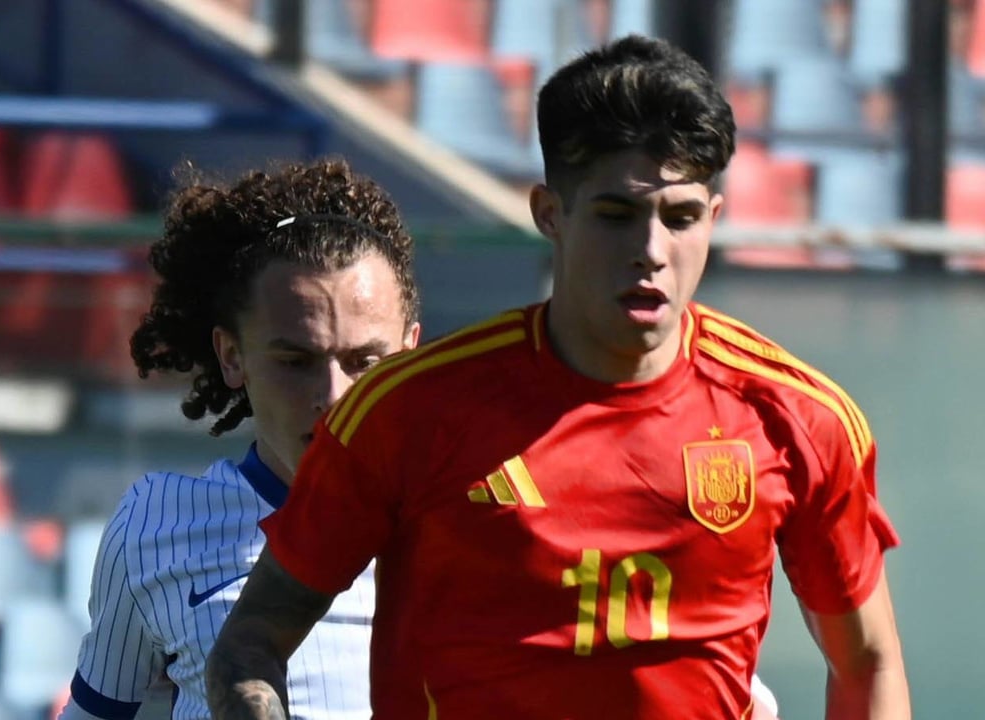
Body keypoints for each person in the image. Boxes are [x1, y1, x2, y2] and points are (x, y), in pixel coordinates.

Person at [207, 35, 909, 720]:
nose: (651, 250)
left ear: (714, 220)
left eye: (681, 217)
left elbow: (868, 661)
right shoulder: (409, 411)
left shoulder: (798, 418)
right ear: (550, 214)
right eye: (616, 215)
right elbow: (250, 644)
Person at [58, 158, 422, 720]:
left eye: (364, 362)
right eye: (295, 361)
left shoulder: (472, 518)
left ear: (410, 355)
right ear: (233, 356)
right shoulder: (154, 523)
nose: (333, 395)